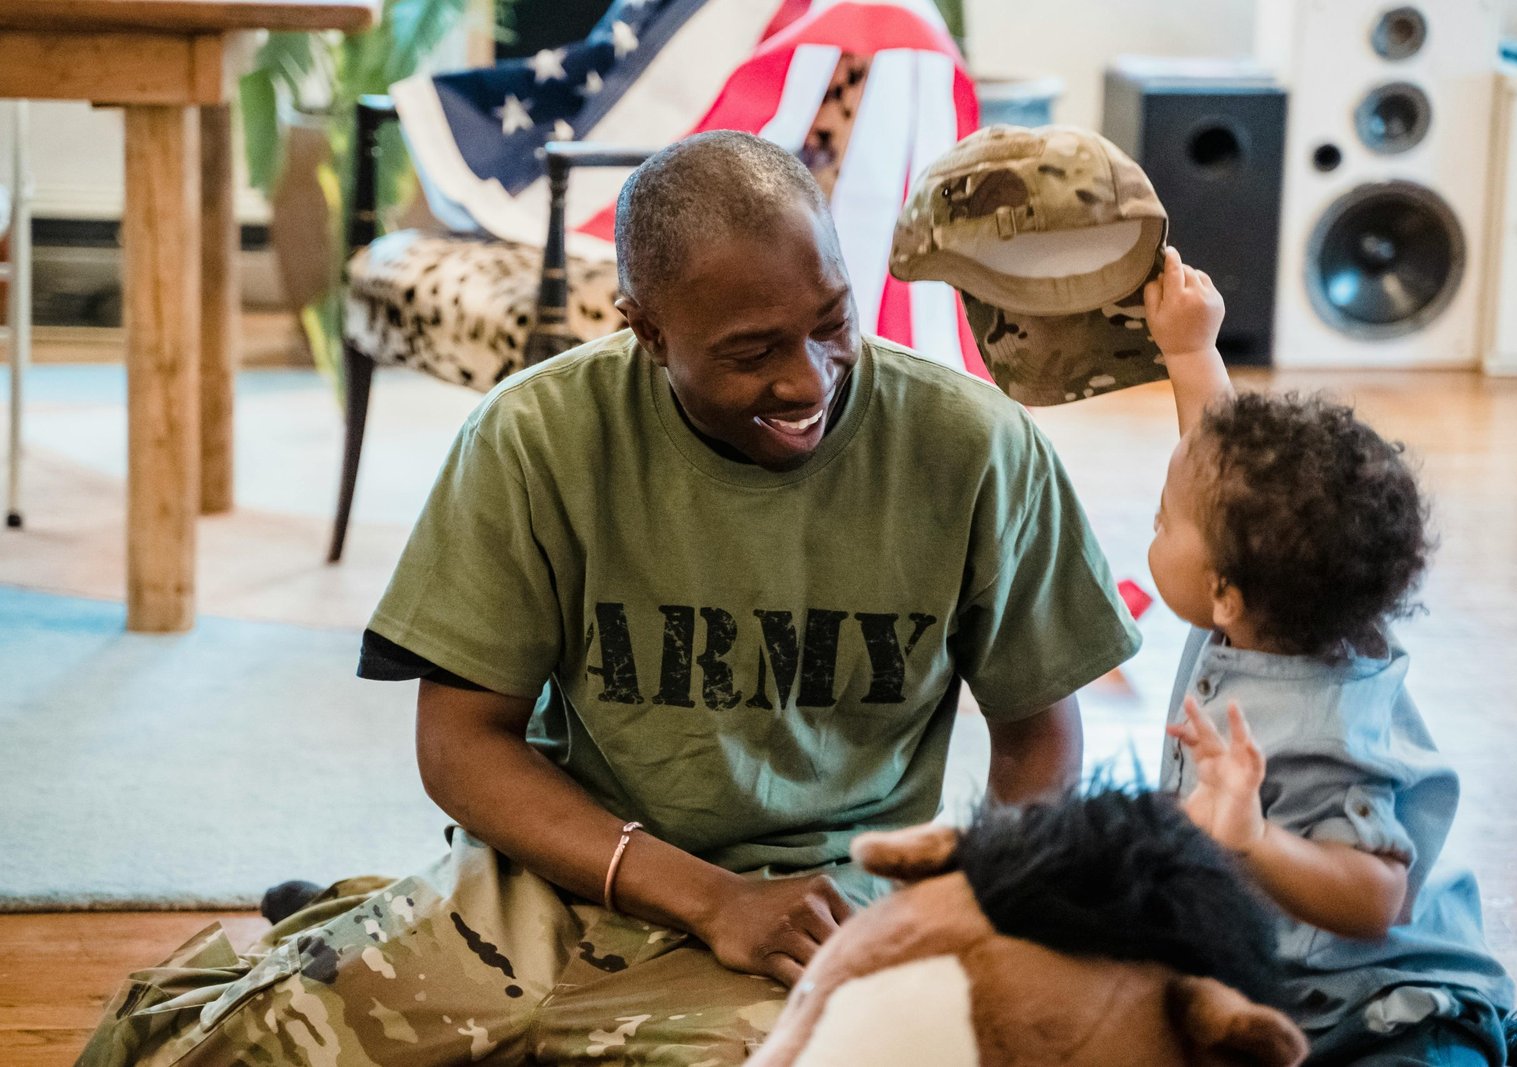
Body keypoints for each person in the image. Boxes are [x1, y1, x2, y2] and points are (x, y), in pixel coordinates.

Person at [76, 130, 1140, 1067]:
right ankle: (368, 925)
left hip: (821, 904)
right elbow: (461, 741)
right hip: (563, 876)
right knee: (174, 1044)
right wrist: (702, 893)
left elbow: (1036, 732)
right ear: (645, 329)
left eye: (830, 319)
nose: (811, 379)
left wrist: (981, 909)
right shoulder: (536, 435)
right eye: (750, 351)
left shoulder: (974, 449)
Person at [1141, 247, 1517, 1065]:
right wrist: (1191, 351)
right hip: (1286, 988)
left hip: (1394, 1001)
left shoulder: (1330, 723)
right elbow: (1213, 465)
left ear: (1226, 590)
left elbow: (1377, 895)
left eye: (1164, 521)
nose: (1153, 526)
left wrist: (1251, 838)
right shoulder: (1269, 606)